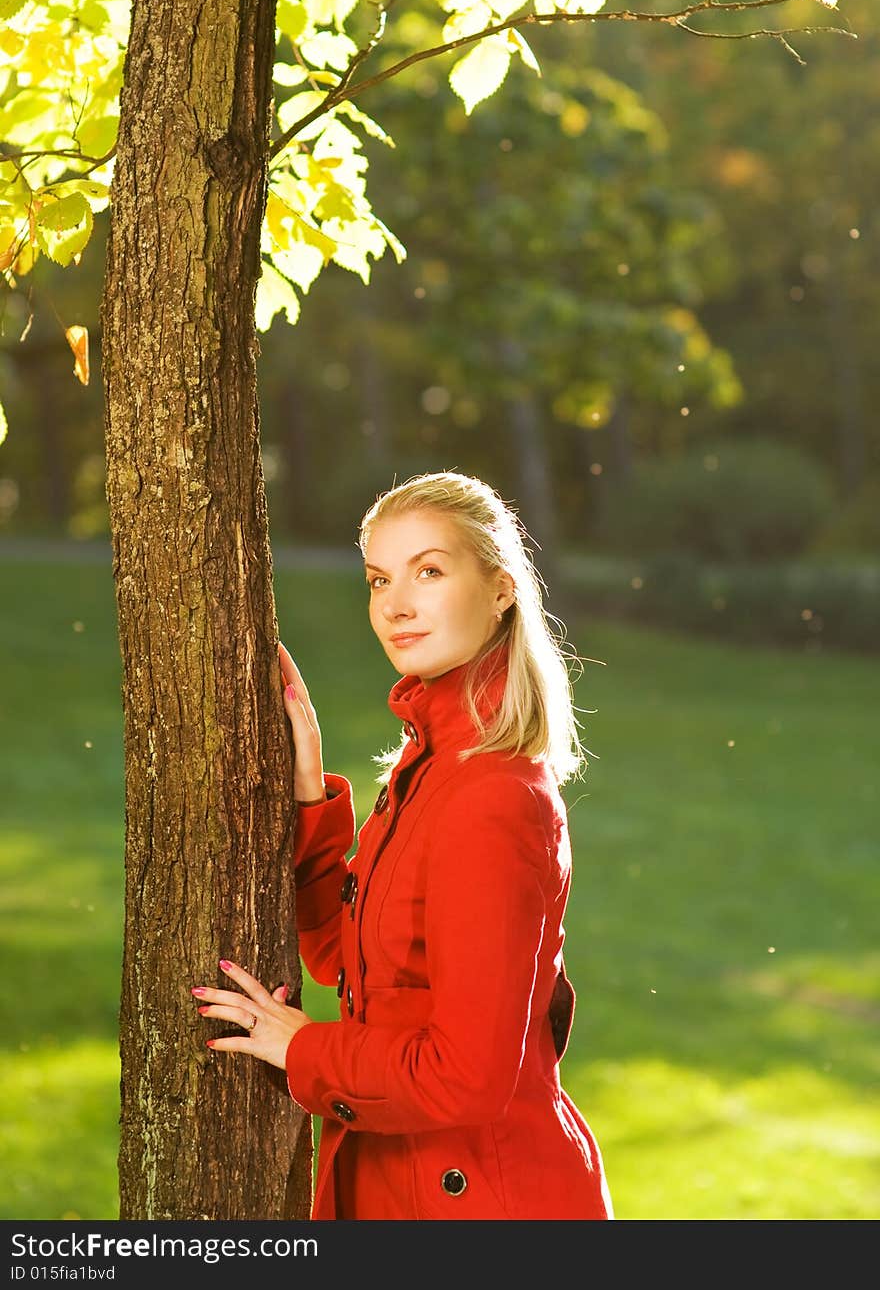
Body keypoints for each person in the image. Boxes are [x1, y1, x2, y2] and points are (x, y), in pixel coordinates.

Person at [192, 470, 613, 1220]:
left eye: (429, 569)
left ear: (501, 589)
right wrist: (309, 790)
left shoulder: (492, 797)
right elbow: (345, 963)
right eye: (380, 578)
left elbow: (466, 1077)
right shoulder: (430, 771)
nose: (395, 603)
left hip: (482, 1197)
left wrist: (305, 1049)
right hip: (400, 1178)